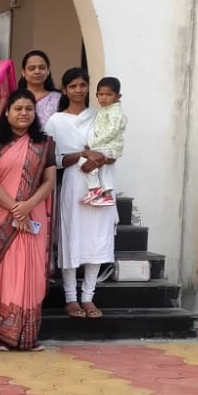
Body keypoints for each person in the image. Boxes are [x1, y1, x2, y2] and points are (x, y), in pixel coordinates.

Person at [0, 89, 57, 351]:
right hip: (3, 214)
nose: (24, 113)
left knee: (31, 274)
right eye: (18, 108)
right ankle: (2, 333)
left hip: (33, 213)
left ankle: (27, 335)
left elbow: (49, 181)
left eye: (29, 109)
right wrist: (15, 208)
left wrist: (28, 205)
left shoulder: (45, 143)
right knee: (6, 273)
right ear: (7, 112)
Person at [49, 68, 117, 319]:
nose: (78, 90)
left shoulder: (101, 117)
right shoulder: (56, 121)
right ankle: (70, 298)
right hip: (74, 183)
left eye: (82, 85)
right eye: (72, 86)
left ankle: (88, 296)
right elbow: (54, 160)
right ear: (64, 90)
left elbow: (114, 151)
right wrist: (82, 155)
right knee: (72, 237)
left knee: (96, 237)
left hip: (100, 181)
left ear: (88, 87)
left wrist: (98, 159)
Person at [82, 76, 127, 206]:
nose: (104, 98)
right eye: (101, 94)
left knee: (85, 159)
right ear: (96, 95)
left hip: (110, 146)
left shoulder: (115, 113)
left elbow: (111, 132)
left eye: (108, 94)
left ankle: (95, 188)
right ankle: (107, 195)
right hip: (107, 145)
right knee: (103, 168)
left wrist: (92, 144)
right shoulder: (105, 109)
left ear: (118, 96)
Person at [18, 49, 62, 124]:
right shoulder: (15, 98)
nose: (37, 71)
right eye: (31, 68)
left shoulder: (59, 98)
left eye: (42, 68)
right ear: (23, 72)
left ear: (48, 71)